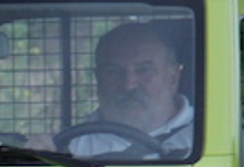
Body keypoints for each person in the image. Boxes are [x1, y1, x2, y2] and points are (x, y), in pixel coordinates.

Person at [36, 21, 194, 159]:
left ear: (173, 78)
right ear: (98, 79)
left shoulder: (205, 140)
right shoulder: (70, 147)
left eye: (144, 70)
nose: (128, 85)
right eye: (113, 72)